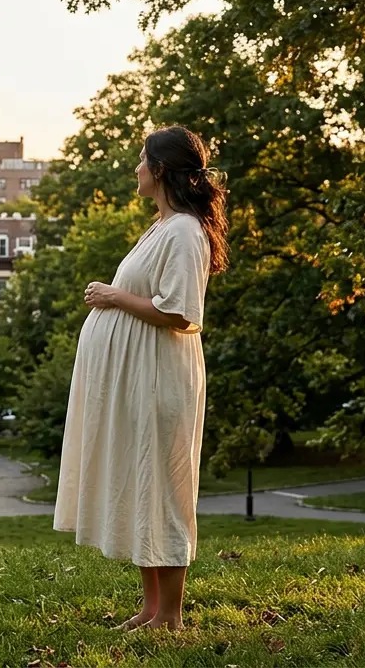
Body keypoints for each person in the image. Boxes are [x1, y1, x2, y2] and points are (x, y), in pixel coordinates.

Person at [52, 125, 229, 631]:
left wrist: (112, 297)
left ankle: (170, 616)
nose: (134, 169)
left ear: (160, 170)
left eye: (140, 160)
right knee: (144, 489)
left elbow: (179, 312)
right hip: (142, 383)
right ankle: (151, 609)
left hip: (160, 382)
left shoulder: (184, 233)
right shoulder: (163, 226)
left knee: (164, 494)